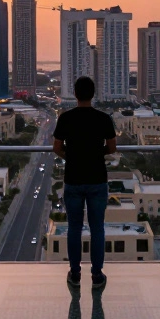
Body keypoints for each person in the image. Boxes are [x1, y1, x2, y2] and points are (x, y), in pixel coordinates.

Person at [52, 76, 116, 288]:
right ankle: (97, 276)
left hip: (73, 179)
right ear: (93, 93)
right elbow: (112, 147)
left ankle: (75, 274)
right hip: (97, 179)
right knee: (97, 228)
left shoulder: (66, 118)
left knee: (74, 228)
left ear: (75, 93)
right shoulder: (103, 118)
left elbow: (57, 147)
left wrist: (72, 157)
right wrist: (96, 154)